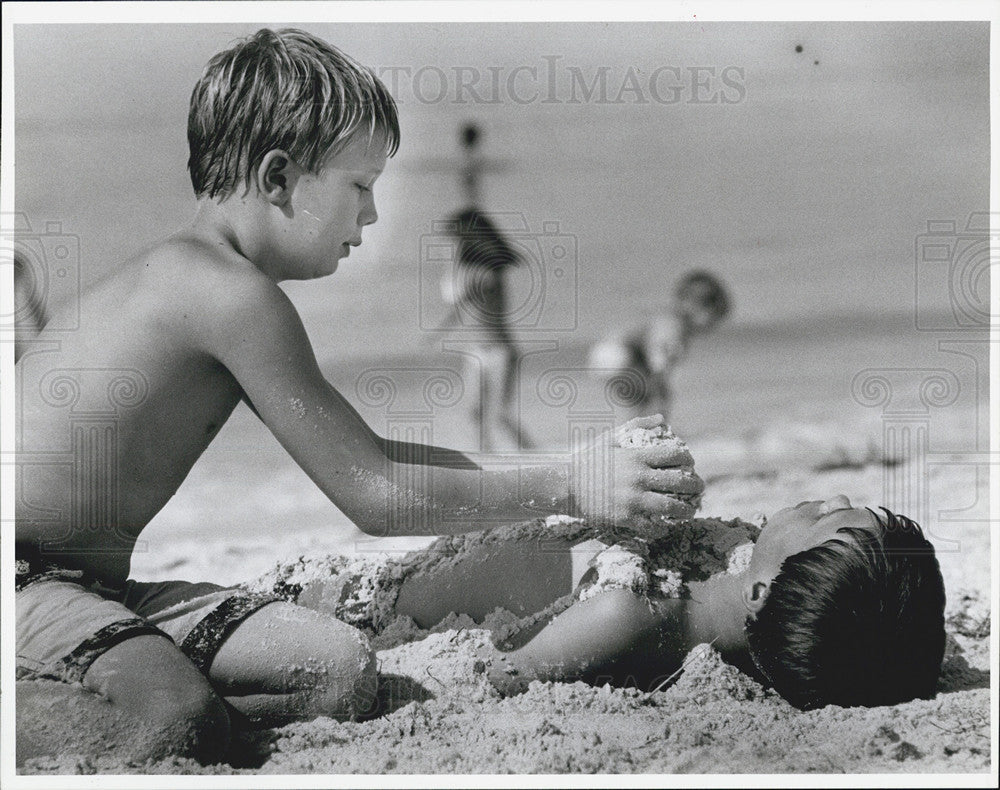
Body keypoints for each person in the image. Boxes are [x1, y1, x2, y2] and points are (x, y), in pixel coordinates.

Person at [13, 29, 698, 766]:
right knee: (177, 718)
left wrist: (571, 468)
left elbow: (370, 459)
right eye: (359, 187)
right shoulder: (227, 295)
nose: (370, 217)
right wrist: (573, 483)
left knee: (337, 672)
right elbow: (373, 496)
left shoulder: (199, 281)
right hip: (23, 577)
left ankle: (113, 663)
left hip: (87, 589)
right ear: (279, 179)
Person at [282, 495, 945, 711]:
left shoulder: (625, 614)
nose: (832, 499)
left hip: (350, 601)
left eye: (837, 517)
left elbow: (502, 677)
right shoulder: (739, 578)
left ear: (766, 592)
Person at [437, 122, 535, 451]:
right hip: (480, 350)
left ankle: (542, 463)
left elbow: (460, 295)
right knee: (478, 416)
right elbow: (460, 302)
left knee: (495, 416)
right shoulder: (483, 270)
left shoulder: (485, 273)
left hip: (497, 352)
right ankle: (488, 472)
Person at [588, 270, 731, 423]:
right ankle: (650, 429)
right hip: (619, 354)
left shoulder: (665, 318)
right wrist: (659, 376)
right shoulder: (675, 325)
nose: (712, 327)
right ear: (698, 308)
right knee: (657, 396)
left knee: (643, 399)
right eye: (714, 318)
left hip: (606, 353)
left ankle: (638, 428)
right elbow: (659, 353)